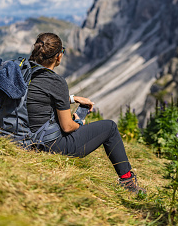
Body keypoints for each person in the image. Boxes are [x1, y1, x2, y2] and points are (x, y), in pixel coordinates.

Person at [27, 32, 145, 194]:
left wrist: (72, 99)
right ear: (58, 56)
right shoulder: (56, 82)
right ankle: (128, 182)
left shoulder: (23, 71)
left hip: (22, 134)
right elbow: (67, 127)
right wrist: (78, 122)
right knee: (109, 127)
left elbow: (38, 96)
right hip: (47, 144)